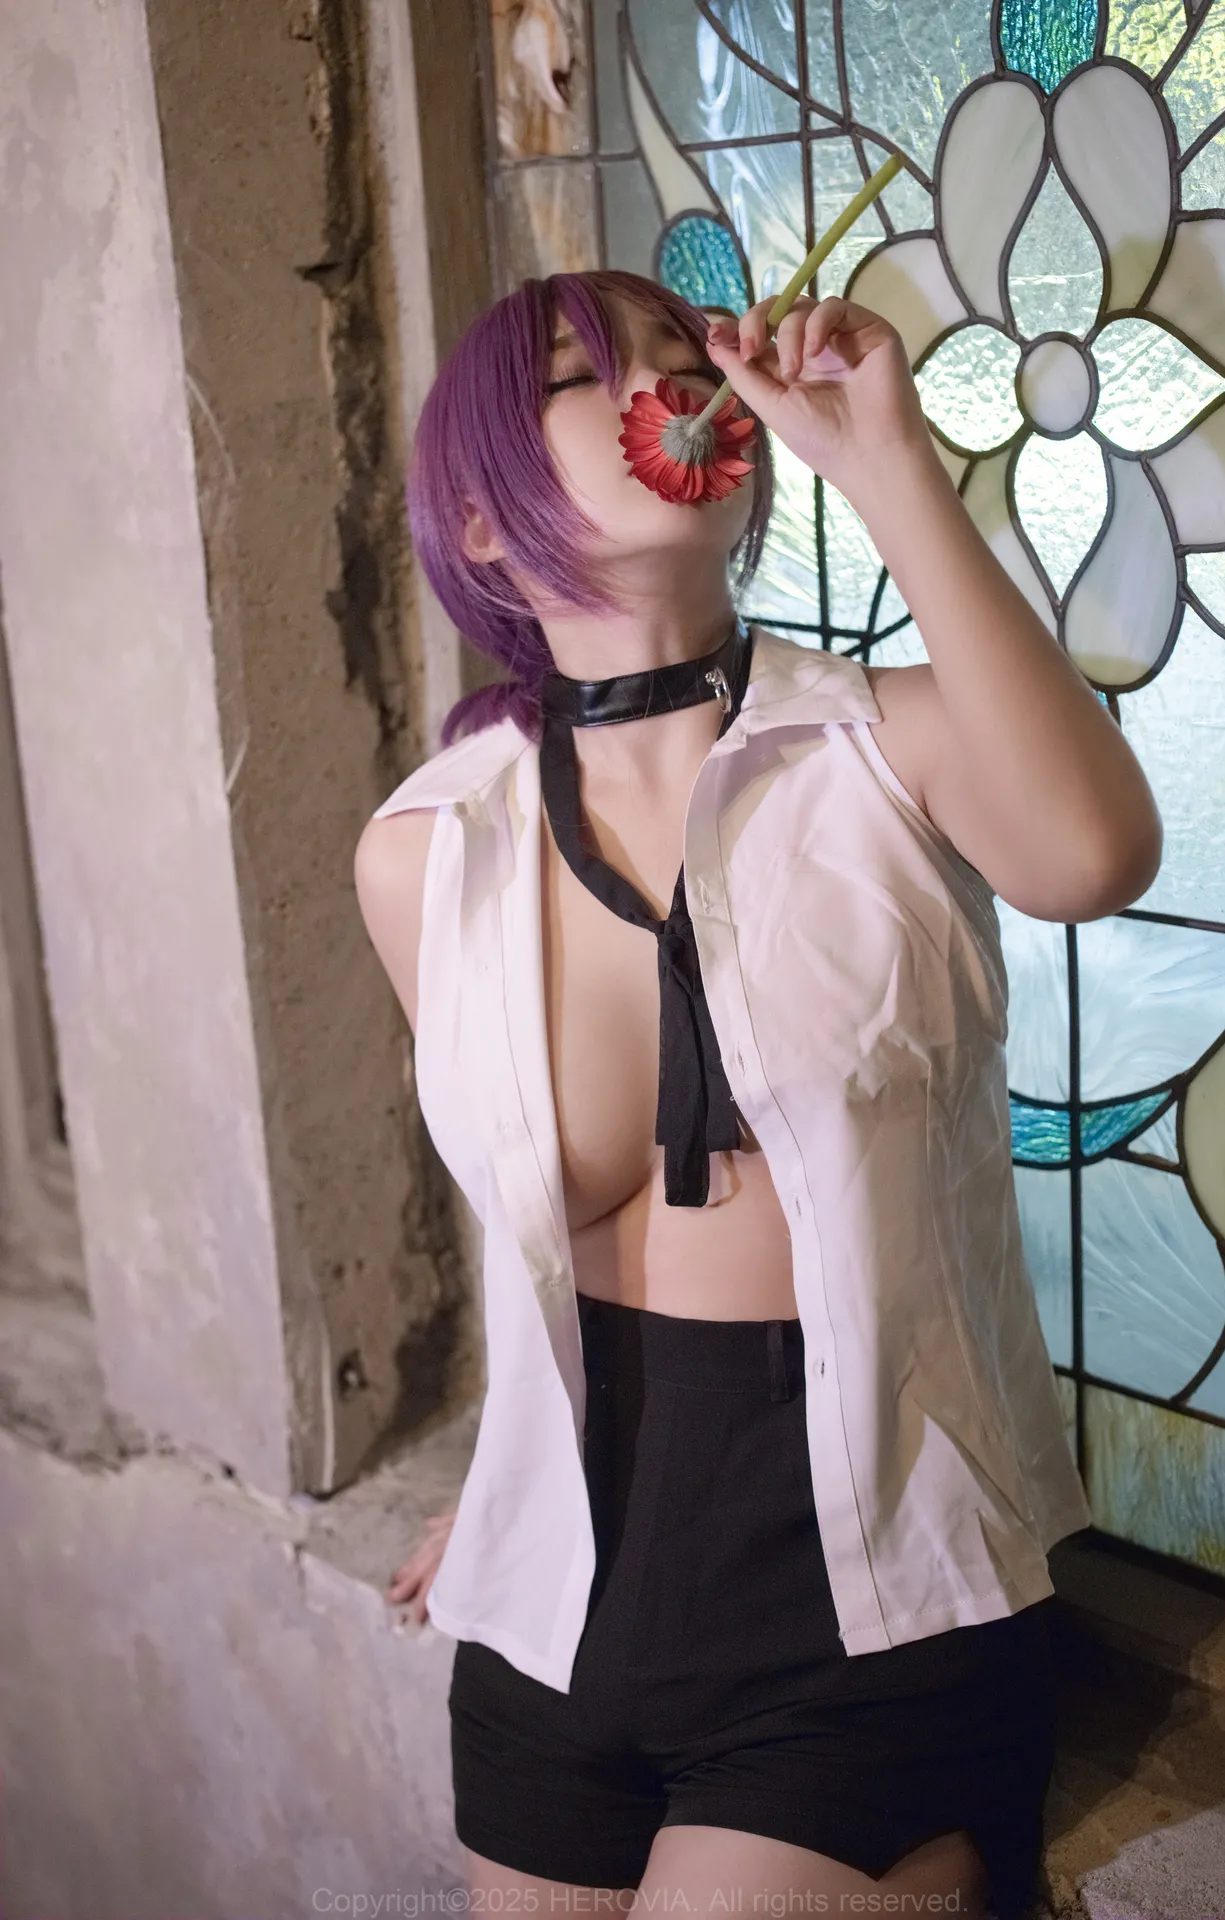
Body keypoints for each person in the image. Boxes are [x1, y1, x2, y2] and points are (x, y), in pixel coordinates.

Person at [355, 267, 1162, 1919]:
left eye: (681, 350)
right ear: (481, 522)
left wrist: (886, 461)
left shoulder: (890, 744)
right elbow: (530, 1229)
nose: (667, 380)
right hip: (559, 1595)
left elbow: (1093, 856)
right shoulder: (429, 849)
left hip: (866, 1583)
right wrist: (505, 1472)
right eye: (590, 371)